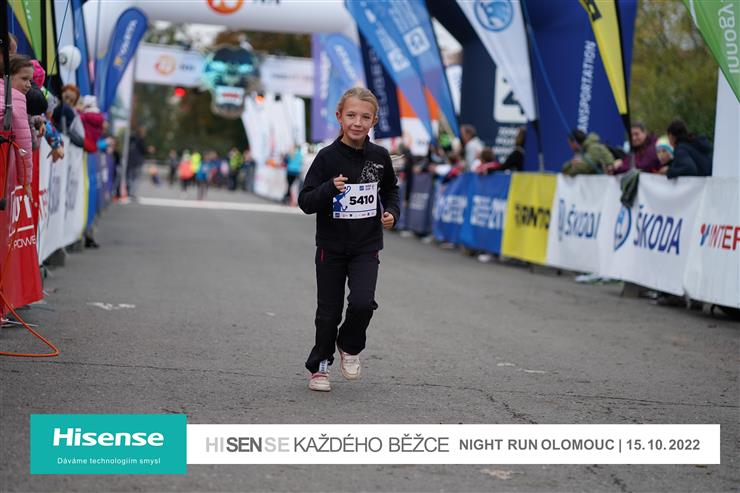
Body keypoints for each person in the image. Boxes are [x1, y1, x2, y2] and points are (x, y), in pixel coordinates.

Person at [298, 87, 400, 392]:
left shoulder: (379, 157)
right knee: (328, 312)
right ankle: (320, 365)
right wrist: (329, 188)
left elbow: (391, 190)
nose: (358, 122)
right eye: (351, 115)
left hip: (366, 245)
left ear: (374, 121)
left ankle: (349, 345)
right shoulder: (327, 157)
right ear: (339, 117)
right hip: (331, 247)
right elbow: (306, 202)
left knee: (362, 303)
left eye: (365, 117)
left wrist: (392, 212)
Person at [1, 55, 34, 199]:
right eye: (24, 79)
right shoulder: (17, 97)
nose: (29, 85)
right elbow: (23, 142)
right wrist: (26, 181)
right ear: (8, 76)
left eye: (30, 80)